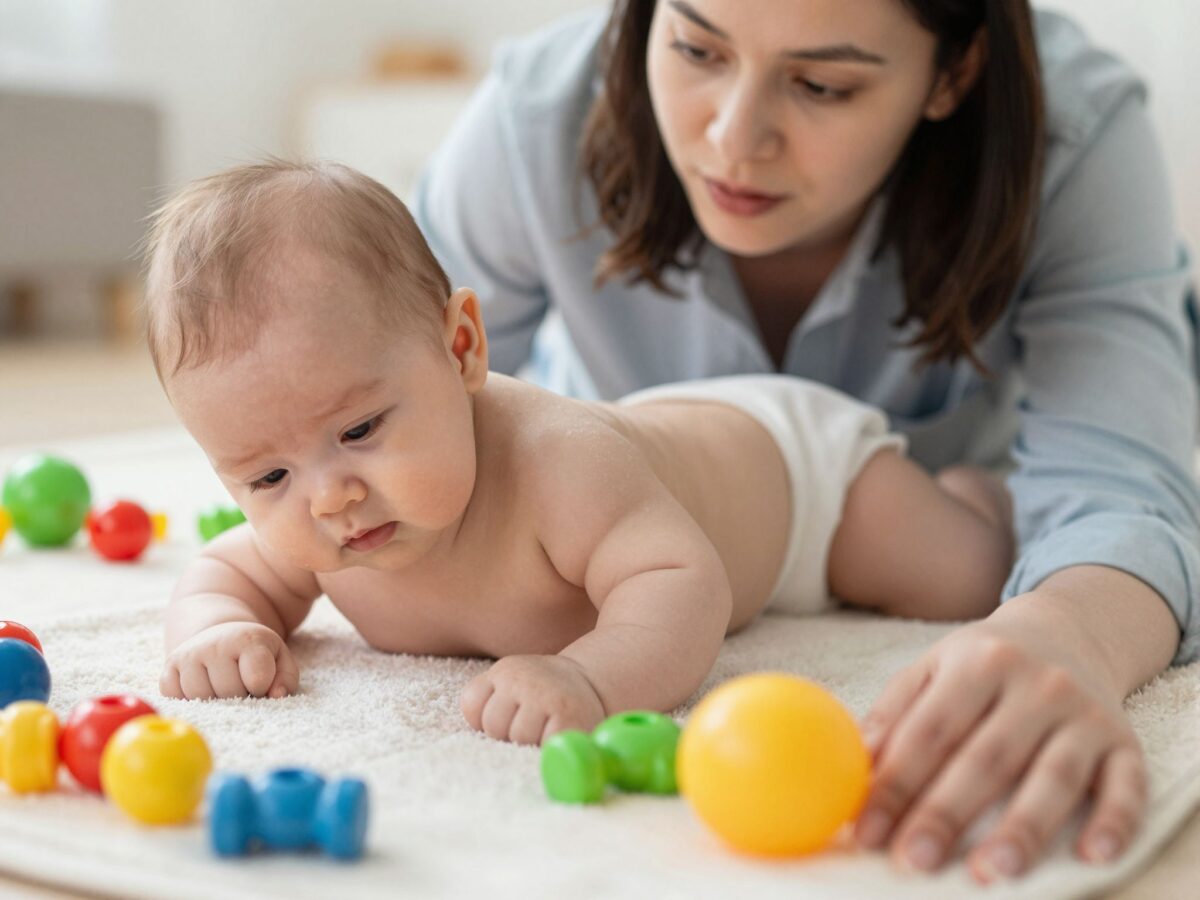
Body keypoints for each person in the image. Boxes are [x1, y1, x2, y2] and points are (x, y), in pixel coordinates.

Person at [411, 0, 1200, 885]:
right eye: (695, 47)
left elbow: (1124, 486)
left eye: (823, 84)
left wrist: (1072, 633)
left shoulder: (1075, 134)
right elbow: (394, 379)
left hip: (932, 525)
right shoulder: (535, 120)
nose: (735, 138)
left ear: (954, 72)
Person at [146, 158, 1013, 759]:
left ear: (461, 349)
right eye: (268, 478)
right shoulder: (320, 525)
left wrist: (590, 679)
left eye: (361, 430)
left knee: (966, 575)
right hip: (668, 450)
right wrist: (216, 630)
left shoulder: (558, 467)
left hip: (797, 480)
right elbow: (227, 574)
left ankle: (973, 492)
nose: (329, 498)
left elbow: (685, 582)